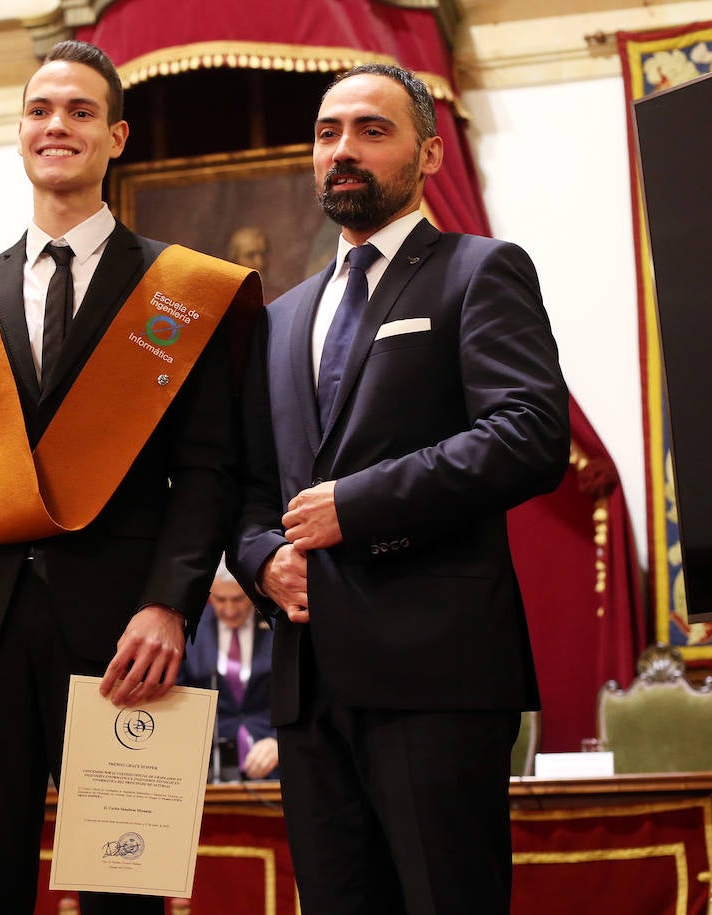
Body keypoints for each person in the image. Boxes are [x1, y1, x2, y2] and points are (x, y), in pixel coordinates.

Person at [0, 40, 258, 915]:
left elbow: (207, 472)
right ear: (20, 132)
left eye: (81, 111)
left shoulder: (176, 291)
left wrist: (171, 604)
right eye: (41, 110)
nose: (58, 126)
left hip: (126, 637)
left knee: (123, 886)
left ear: (117, 136)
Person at [232, 63, 570, 914]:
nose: (343, 150)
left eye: (370, 131)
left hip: (437, 675)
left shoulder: (478, 271)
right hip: (308, 692)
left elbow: (530, 436)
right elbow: (248, 489)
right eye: (327, 132)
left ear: (428, 152)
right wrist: (263, 557)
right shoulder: (279, 318)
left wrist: (358, 503)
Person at [178, 563, 278, 780]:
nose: (230, 610)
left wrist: (280, 742)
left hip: (274, 762)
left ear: (252, 591)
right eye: (220, 600)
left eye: (239, 599)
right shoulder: (189, 628)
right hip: (208, 764)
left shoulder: (278, 623)